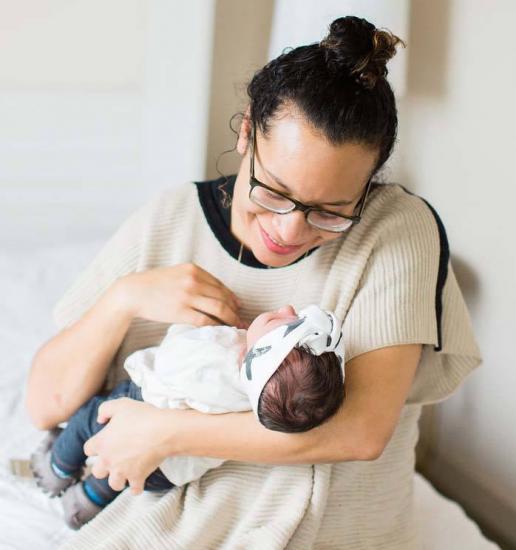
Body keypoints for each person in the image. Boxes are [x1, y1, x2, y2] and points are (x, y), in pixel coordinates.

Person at [25, 15, 481, 549]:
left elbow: (361, 431)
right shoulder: (169, 219)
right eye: (274, 193)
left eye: (331, 211)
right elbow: (44, 404)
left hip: (337, 534)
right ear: (246, 131)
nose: (290, 229)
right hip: (167, 528)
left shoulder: (397, 230)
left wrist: (163, 432)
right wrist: (123, 300)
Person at [30, 304, 345, 530]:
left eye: (280, 320)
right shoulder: (260, 410)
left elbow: (172, 355)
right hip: (165, 475)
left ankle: (57, 466)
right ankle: (84, 504)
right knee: (118, 475)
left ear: (257, 358)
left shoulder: (216, 355)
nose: (288, 307)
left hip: (136, 410)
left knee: (89, 420)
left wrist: (199, 332)